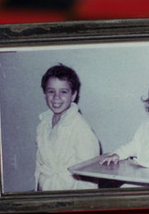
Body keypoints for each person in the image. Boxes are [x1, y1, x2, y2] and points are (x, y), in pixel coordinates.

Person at [35, 63, 100, 191]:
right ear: (45, 94)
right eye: (51, 91)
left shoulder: (81, 128)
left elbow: (89, 175)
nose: (56, 97)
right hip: (45, 189)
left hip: (70, 192)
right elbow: (39, 163)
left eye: (63, 92)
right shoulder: (43, 124)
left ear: (73, 95)